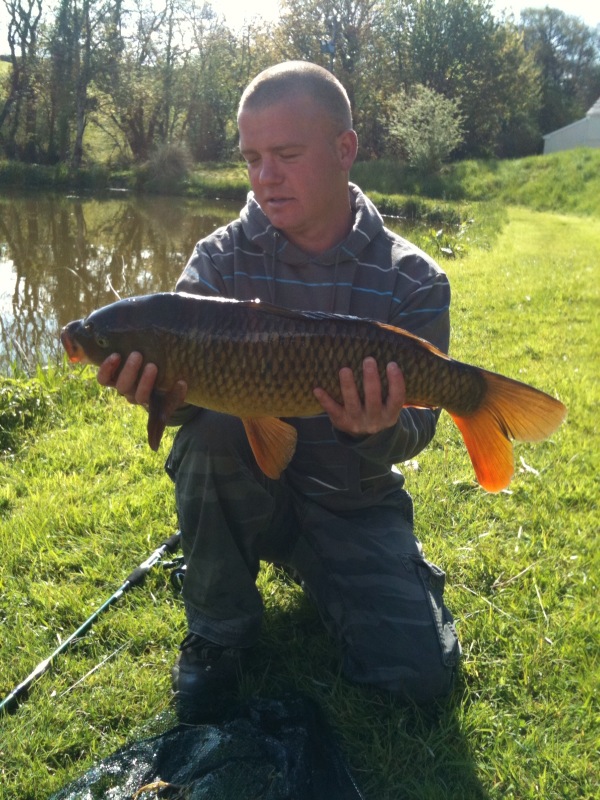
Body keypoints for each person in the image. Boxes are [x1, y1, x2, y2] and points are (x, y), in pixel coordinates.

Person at [97, 61, 460, 723]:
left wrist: (375, 427)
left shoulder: (414, 281)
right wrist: (161, 397)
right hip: (251, 492)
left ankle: (364, 571)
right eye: (252, 159)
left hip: (354, 501)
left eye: (287, 155)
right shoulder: (217, 261)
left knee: (417, 676)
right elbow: (187, 410)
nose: (265, 177)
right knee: (212, 428)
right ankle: (219, 630)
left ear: (344, 149)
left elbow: (419, 430)